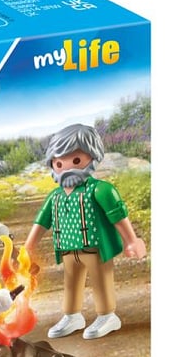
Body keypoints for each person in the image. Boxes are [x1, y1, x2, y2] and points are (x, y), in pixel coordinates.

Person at [24, 123, 146, 340]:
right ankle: (72, 315)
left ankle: (107, 315)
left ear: (93, 157)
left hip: (95, 248)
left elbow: (118, 215)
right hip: (68, 249)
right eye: (59, 163)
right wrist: (29, 246)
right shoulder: (55, 196)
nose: (66, 168)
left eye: (76, 161)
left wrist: (131, 240)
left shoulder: (100, 189)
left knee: (101, 281)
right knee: (71, 284)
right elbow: (41, 221)